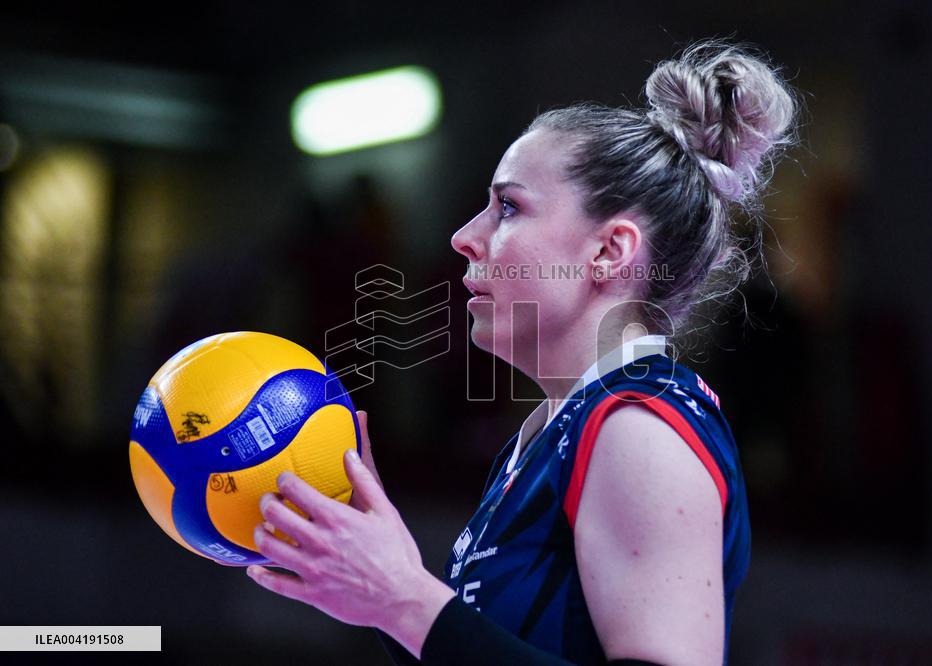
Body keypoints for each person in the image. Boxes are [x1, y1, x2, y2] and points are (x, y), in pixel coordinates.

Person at [245, 38, 798, 666]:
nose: (463, 237)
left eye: (508, 206)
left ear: (609, 252)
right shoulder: (552, 428)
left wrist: (406, 601)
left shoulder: (638, 429)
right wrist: (383, 598)